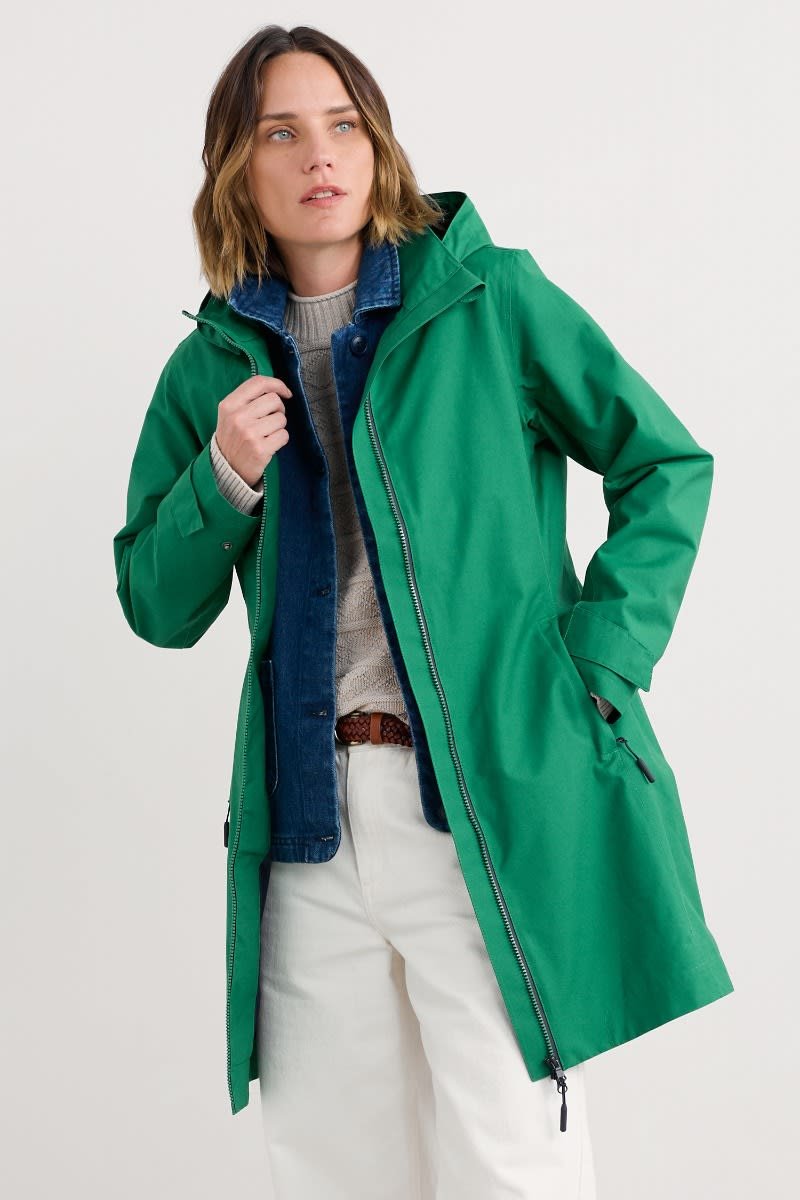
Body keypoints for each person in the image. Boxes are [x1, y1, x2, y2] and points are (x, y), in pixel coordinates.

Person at [113, 22, 734, 1200]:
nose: (319, 155)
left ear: (379, 144)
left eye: (342, 124)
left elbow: (663, 464)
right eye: (279, 132)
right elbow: (153, 602)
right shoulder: (211, 367)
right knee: (334, 1172)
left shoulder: (487, 300)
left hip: (476, 796)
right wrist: (222, 478)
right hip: (304, 823)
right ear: (235, 169)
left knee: (511, 1162)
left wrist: (595, 664)